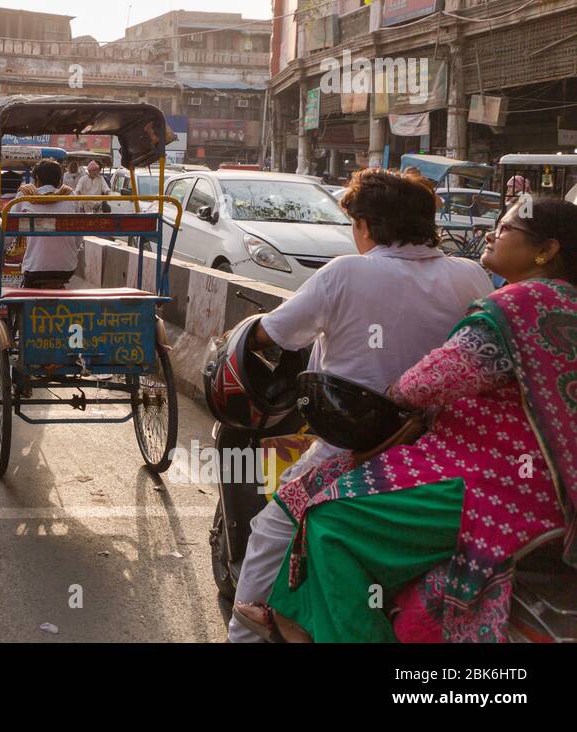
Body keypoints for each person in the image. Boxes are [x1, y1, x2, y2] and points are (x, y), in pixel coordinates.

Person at [247, 199, 577, 642]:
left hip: (489, 479)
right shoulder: (506, 287)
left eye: (508, 226)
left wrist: (394, 394)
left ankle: (321, 627)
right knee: (316, 488)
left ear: (546, 249)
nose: (495, 232)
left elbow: (434, 379)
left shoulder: (519, 304)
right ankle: (301, 616)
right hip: (543, 482)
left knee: (329, 521)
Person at [226, 167, 494, 643]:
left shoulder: (347, 272)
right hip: (438, 455)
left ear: (367, 225)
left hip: (355, 446)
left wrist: (245, 332)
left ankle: (245, 634)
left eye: (355, 224)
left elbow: (273, 333)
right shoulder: (470, 275)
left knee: (272, 529)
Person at [10, 158, 80, 289]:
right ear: (59, 180)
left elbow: (7, 231)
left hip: (34, 268)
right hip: (67, 268)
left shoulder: (24, 196)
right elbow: (78, 237)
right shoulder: (71, 196)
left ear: (36, 178)